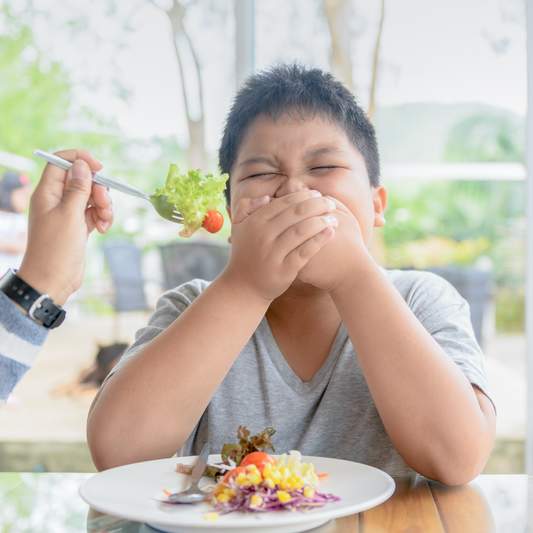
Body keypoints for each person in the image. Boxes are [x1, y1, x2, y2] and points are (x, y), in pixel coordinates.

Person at [87, 64, 496, 486]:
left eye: (323, 168)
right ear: (230, 217)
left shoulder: (422, 300)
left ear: (376, 206)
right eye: (262, 174)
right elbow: (119, 453)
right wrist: (245, 286)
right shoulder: (192, 306)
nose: (296, 192)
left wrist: (354, 274)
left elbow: (457, 459)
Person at [0, 150, 114, 408]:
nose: (23, 198)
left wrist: (53, 280)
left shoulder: (18, 219)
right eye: (20, 192)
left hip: (17, 286)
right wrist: (48, 279)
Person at [0, 170, 33, 276]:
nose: (26, 200)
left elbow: (23, 245)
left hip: (7, 277)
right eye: (23, 194)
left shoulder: (22, 220)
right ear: (8, 191)